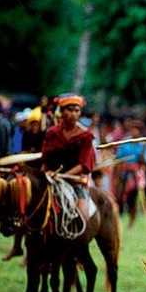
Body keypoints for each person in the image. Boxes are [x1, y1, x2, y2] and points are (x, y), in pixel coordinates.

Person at [39, 93, 96, 223]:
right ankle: (17, 243)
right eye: (69, 110)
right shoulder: (52, 133)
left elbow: (83, 165)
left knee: (82, 219)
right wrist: (43, 175)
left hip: (74, 182)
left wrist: (62, 176)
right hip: (50, 179)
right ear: (62, 111)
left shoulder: (85, 136)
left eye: (77, 111)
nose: (73, 114)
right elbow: (46, 159)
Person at [114, 119, 146, 228]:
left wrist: (143, 150)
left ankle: (131, 222)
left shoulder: (144, 144)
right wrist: (118, 174)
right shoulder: (124, 142)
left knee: (133, 198)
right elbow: (118, 159)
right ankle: (118, 220)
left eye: (136, 130)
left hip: (136, 173)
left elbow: (144, 162)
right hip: (124, 171)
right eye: (132, 130)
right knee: (119, 196)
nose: (134, 132)